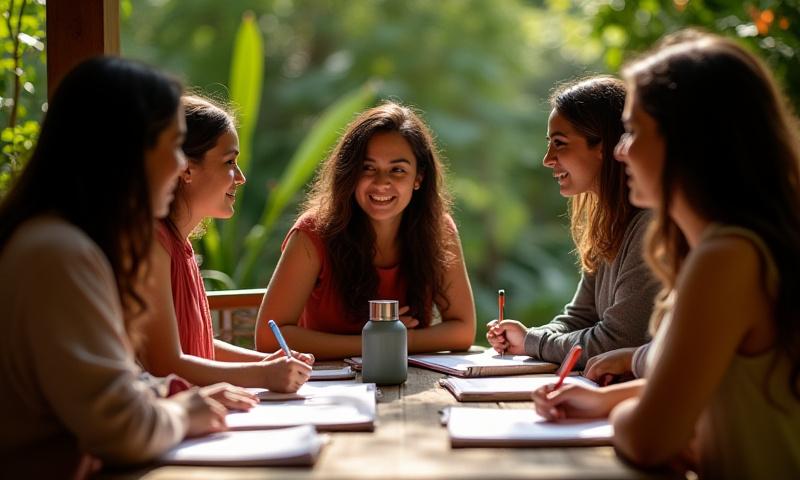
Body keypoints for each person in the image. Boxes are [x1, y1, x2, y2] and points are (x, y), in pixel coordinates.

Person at [532, 31, 800, 478]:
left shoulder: (727, 258)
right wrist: (606, 400)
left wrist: (626, 420)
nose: (621, 150)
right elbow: (712, 383)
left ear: (688, 142)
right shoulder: (726, 248)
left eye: (633, 130)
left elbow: (649, 439)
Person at [0, 57, 257, 477]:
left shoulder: (62, 244)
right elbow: (118, 426)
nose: (180, 166)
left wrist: (168, 393)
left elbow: (97, 389)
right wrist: (181, 413)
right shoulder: (57, 255)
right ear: (127, 149)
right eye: (174, 145)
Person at [255, 101, 476, 359]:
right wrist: (378, 341)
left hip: (414, 381)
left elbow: (463, 331)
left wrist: (395, 339)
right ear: (349, 173)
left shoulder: (440, 230)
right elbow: (269, 339)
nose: (382, 182)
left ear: (419, 178)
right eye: (368, 168)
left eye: (398, 170)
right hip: (326, 390)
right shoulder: (312, 233)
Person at [137, 94, 313, 392]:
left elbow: (199, 344)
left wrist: (266, 362)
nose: (241, 177)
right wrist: (262, 375)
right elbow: (165, 362)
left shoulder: (180, 246)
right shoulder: (152, 243)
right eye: (230, 161)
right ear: (185, 167)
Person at [487, 76, 659, 366]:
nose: (547, 159)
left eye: (560, 143)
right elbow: (581, 317)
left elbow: (617, 340)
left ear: (604, 146)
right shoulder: (607, 223)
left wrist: (533, 341)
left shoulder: (649, 227)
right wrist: (528, 336)